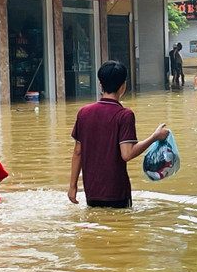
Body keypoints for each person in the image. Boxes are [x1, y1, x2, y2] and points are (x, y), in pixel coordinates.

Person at [68, 60, 169, 208]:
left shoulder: (84, 113)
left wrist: (72, 186)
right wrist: (154, 137)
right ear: (124, 86)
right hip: (116, 192)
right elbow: (127, 154)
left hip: (92, 190)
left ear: (100, 84)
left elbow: (77, 151)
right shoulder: (124, 115)